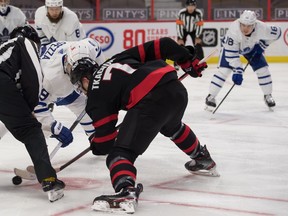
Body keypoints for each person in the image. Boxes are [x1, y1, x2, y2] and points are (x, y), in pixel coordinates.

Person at [65, 37, 219, 213]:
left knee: (119, 154)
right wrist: (187, 61)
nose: (82, 90)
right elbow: (164, 45)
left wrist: (96, 144)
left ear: (85, 79)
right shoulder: (116, 59)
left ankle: (126, 191)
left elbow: (105, 142)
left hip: (152, 100)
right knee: (171, 126)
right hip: (175, 88)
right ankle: (202, 157)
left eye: (80, 85)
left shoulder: (95, 95)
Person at [0, 25, 64, 202]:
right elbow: (34, 79)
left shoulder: (7, 52)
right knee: (31, 131)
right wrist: (30, 110)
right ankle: (49, 180)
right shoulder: (25, 43)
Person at [205, 10, 282, 110]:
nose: (245, 28)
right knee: (224, 71)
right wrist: (238, 70)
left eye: (249, 26)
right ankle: (211, 96)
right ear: (240, 23)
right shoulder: (233, 31)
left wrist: (263, 44)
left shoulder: (261, 27)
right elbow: (231, 55)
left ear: (254, 25)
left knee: (263, 70)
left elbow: (278, 32)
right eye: (243, 25)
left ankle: (268, 95)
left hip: (251, 48)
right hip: (230, 50)